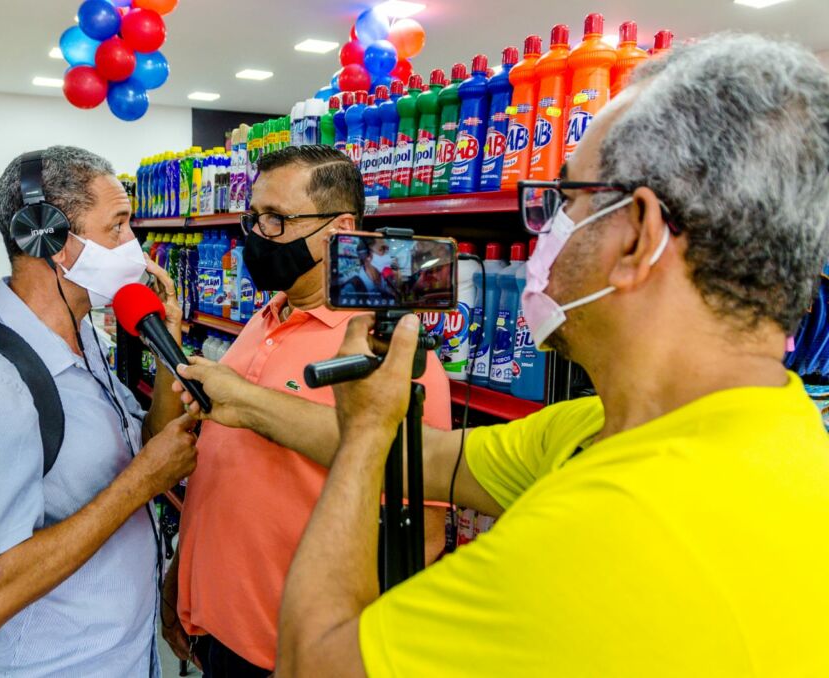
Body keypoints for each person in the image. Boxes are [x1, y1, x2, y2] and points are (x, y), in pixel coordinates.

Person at [178, 35, 829, 676]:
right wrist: (303, 411)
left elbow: (312, 663)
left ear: (639, 236)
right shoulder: (630, 429)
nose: (544, 226)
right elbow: (432, 461)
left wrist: (365, 436)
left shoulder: (613, 528)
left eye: (566, 199)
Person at [161, 145, 452, 677]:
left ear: (340, 227)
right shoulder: (265, 317)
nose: (256, 235)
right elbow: (226, 468)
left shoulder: (385, 349)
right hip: (217, 631)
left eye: (277, 219)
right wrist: (183, 576)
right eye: (254, 216)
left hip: (297, 656)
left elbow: (424, 535)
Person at [0, 146, 198, 676]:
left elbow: (145, 448)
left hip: (119, 652)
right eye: (118, 227)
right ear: (50, 238)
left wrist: (165, 353)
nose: (133, 245)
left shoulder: (80, 335)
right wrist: (141, 483)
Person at [342, 238, 394, 305]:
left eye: (387, 251)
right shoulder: (351, 288)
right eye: (381, 250)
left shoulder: (388, 281)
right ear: (367, 255)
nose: (387, 256)